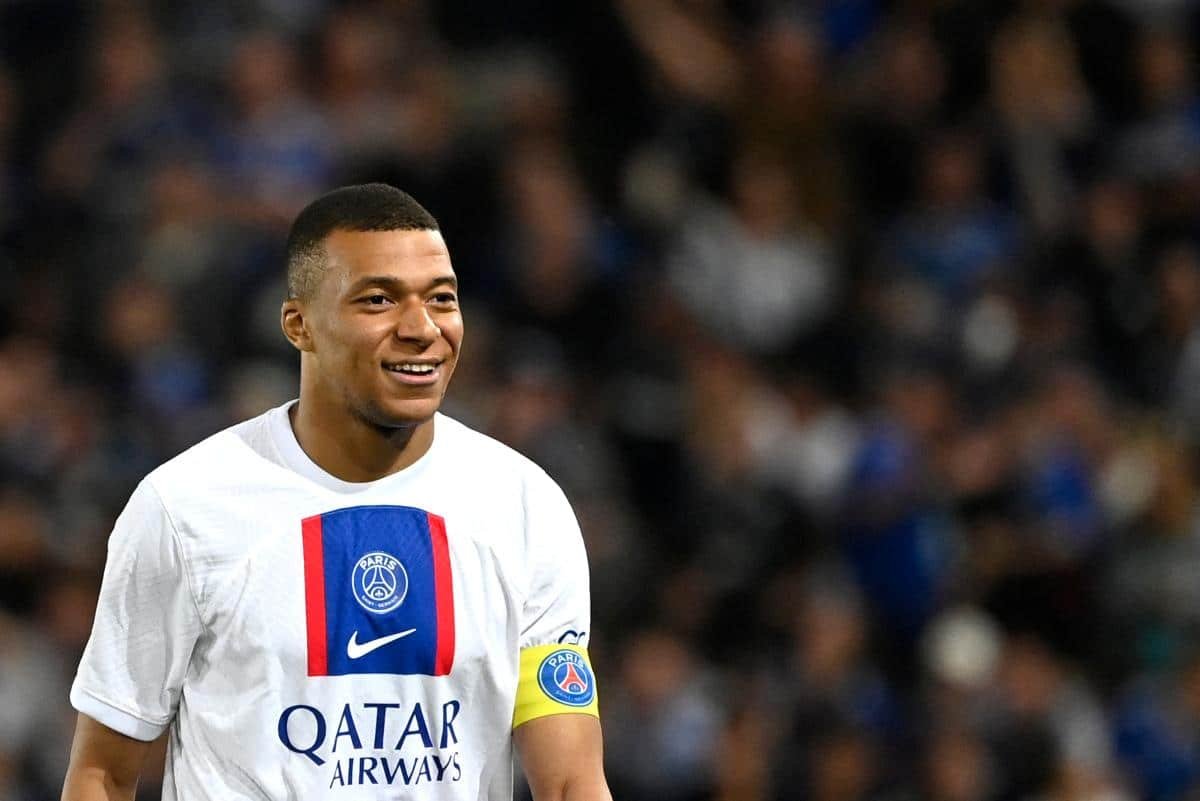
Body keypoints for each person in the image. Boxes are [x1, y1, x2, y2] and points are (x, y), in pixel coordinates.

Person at [61, 183, 611, 801]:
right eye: (378, 299)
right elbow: (102, 773)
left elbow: (570, 781)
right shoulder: (184, 507)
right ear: (300, 325)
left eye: (442, 299)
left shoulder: (525, 507)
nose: (422, 328)